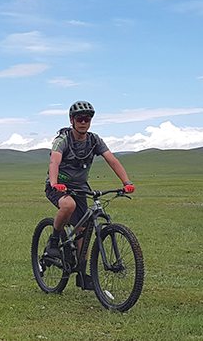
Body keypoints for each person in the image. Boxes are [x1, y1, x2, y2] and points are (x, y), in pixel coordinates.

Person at [44, 100, 135, 290]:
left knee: (84, 231)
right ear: (72, 120)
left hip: (80, 187)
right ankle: (54, 238)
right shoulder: (63, 140)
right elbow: (54, 161)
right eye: (79, 119)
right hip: (59, 185)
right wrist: (55, 183)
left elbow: (112, 160)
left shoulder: (94, 140)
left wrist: (126, 182)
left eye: (87, 119)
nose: (83, 122)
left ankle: (82, 276)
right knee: (68, 206)